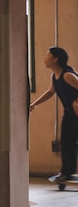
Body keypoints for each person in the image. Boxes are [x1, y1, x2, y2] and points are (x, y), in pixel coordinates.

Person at [30, 46, 78, 183]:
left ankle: (66, 172)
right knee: (67, 143)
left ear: (56, 59)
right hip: (69, 114)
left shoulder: (67, 75)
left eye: (48, 55)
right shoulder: (55, 76)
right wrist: (34, 104)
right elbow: (50, 92)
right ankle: (66, 172)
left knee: (70, 143)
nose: (45, 58)